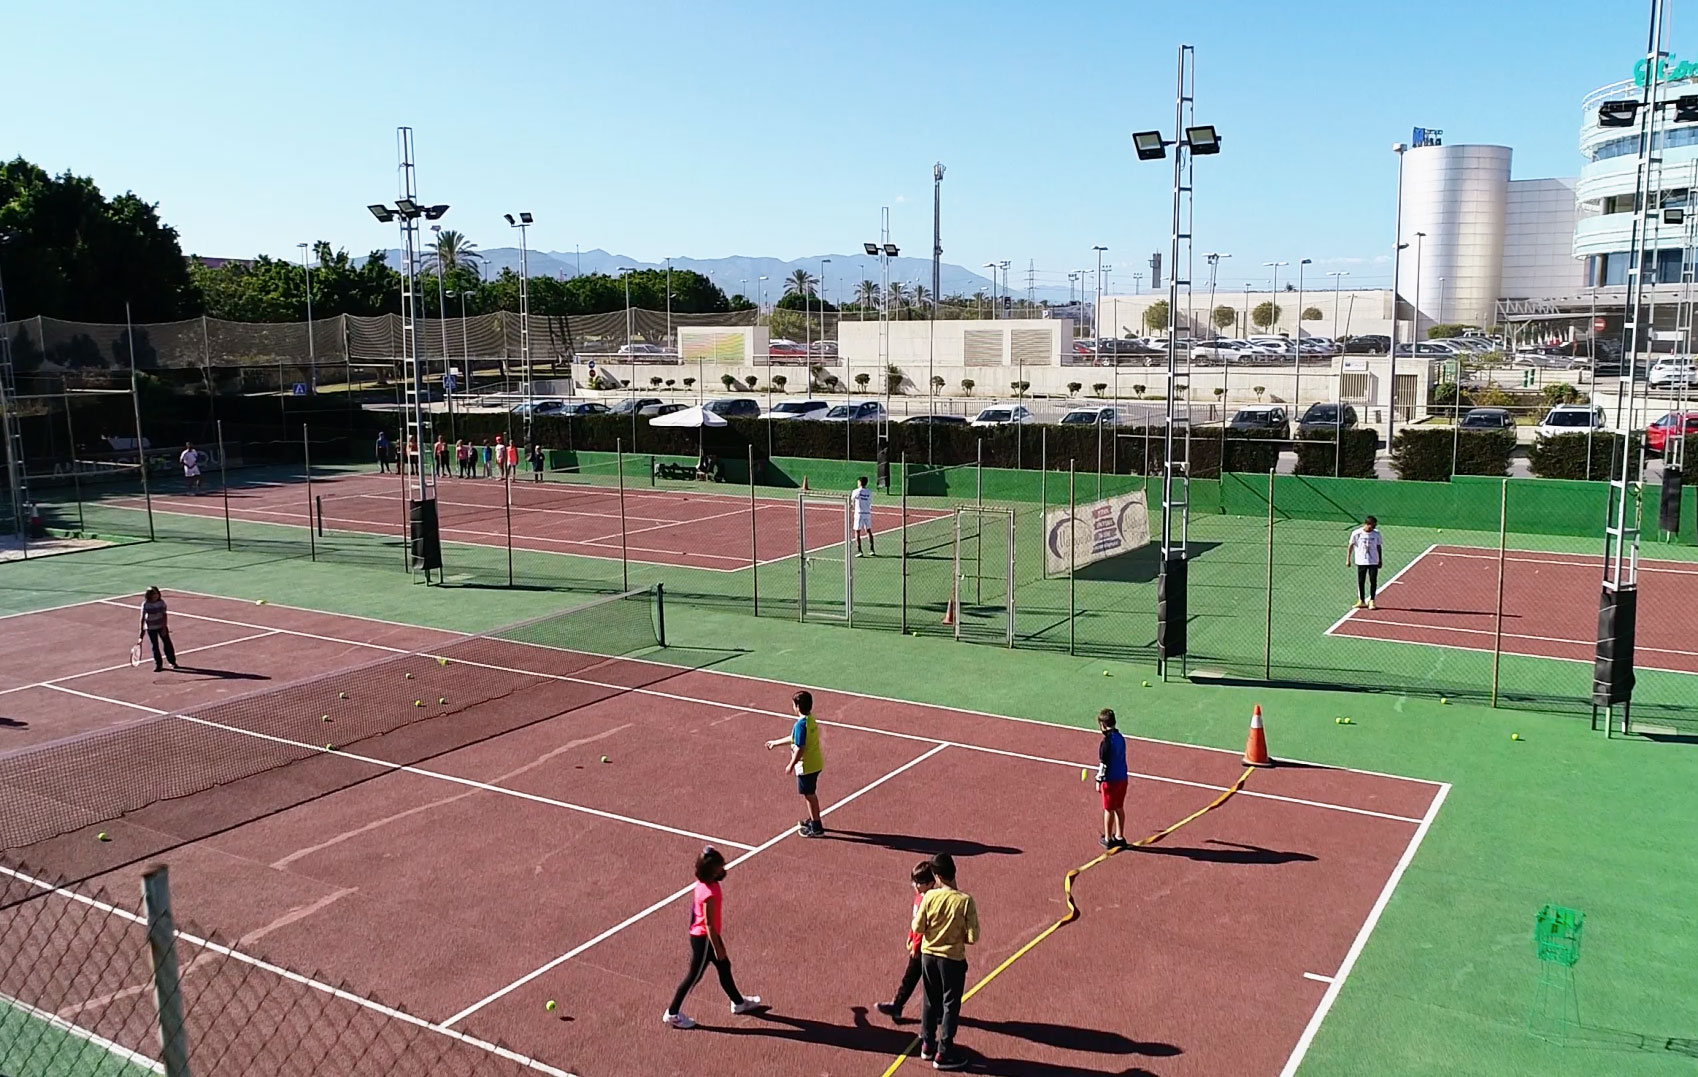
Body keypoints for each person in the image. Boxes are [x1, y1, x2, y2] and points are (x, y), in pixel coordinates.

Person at [662, 846, 763, 1028]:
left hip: (708, 936)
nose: (724, 869)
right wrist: (718, 948)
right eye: (720, 868)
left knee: (724, 967)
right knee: (694, 976)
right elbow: (708, 923)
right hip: (705, 939)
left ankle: (738, 1003)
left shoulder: (704, 884)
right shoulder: (709, 893)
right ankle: (673, 1013)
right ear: (711, 872)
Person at [914, 853, 979, 1070]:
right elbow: (973, 937)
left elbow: (917, 927)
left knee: (930, 999)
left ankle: (926, 1044)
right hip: (951, 959)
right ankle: (944, 1052)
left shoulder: (929, 897)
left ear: (936, 875)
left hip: (928, 956)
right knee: (950, 1003)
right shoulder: (965, 901)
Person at [875, 861, 936, 1021]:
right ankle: (897, 1005)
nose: (915, 885)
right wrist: (910, 936)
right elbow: (915, 922)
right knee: (911, 977)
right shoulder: (919, 897)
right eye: (913, 881)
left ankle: (937, 1011)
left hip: (926, 948)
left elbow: (923, 928)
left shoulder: (930, 901)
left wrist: (915, 947)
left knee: (931, 981)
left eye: (919, 882)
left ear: (931, 883)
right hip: (919, 945)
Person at [764, 690, 824, 837]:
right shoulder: (810, 720)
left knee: (809, 795)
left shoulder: (800, 725)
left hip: (806, 766)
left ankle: (816, 827)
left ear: (797, 706)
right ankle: (813, 819)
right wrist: (775, 743)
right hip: (815, 763)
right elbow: (794, 739)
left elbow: (800, 748)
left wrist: (791, 764)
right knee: (810, 794)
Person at [1096, 708, 1129, 849]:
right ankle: (1119, 836)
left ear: (1103, 725)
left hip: (1110, 781)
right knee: (1119, 807)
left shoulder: (1106, 743)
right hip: (1122, 778)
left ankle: (1108, 838)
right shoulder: (1121, 738)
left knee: (1108, 809)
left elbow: (1103, 765)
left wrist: (1099, 781)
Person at [1346, 515, 1384, 611]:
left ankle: (1372, 600)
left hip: (1373, 561)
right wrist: (1348, 559)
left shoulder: (1376, 534)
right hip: (1361, 561)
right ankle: (1361, 600)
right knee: (1361, 581)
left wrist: (1380, 559)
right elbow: (1351, 545)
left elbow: (1379, 547)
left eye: (1374, 526)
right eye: (1371, 526)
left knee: (1373, 581)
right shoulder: (1356, 533)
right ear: (1366, 524)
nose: (1373, 528)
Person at [138, 586, 178, 672]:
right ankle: (158, 665)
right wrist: (141, 630)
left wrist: (164, 627)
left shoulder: (161, 603)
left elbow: (164, 615)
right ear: (149, 595)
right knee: (154, 646)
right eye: (154, 594)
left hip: (161, 627)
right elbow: (142, 618)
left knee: (167, 645)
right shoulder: (145, 604)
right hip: (151, 628)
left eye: (157, 594)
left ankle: (173, 662)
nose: (156, 596)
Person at [850, 476, 875, 557]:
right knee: (868, 530)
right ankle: (872, 549)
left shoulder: (856, 491)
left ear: (860, 483)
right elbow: (870, 502)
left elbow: (852, 501)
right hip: (867, 513)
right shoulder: (869, 492)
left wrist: (854, 506)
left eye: (858, 482)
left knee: (857, 531)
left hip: (859, 513)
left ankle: (859, 550)